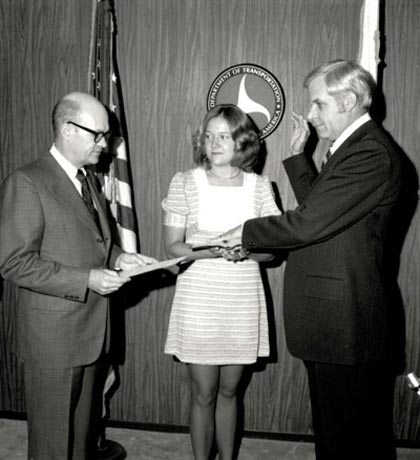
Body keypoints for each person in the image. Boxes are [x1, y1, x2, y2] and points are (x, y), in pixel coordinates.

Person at [211, 60, 402, 460]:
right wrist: (299, 157)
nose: (311, 116)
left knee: (350, 439)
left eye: (319, 105)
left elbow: (309, 222)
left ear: (348, 100)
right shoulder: (352, 148)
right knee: (337, 432)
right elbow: (325, 209)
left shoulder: (369, 151)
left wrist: (246, 231)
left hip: (347, 326)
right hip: (333, 324)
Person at [0, 92, 156, 460]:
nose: (105, 144)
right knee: (54, 446)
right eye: (97, 135)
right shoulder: (26, 182)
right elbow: (13, 262)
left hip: (91, 334)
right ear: (68, 130)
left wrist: (121, 260)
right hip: (53, 343)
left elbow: (95, 243)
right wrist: (87, 279)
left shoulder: (88, 180)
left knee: (80, 444)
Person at [161, 104, 281, 460]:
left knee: (231, 391)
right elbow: (173, 247)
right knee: (203, 392)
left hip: (241, 299)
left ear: (242, 141)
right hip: (199, 297)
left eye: (224, 136)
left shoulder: (260, 187)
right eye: (209, 135)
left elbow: (272, 252)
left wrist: (246, 251)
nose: (214, 143)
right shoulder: (184, 182)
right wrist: (217, 250)